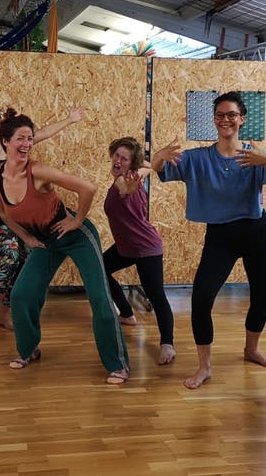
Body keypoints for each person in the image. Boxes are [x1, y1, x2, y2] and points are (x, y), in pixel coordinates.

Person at [152, 91, 266, 390]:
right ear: (214, 120)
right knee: (201, 299)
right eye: (220, 115)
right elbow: (159, 170)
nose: (225, 120)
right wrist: (159, 157)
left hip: (255, 230)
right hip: (220, 235)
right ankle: (205, 367)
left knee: (263, 295)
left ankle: (251, 349)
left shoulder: (254, 155)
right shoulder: (198, 157)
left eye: (231, 115)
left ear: (242, 119)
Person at [0, 108, 130, 384]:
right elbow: (3, 213)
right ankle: (28, 350)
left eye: (30, 138)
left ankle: (118, 364)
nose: (27, 143)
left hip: (75, 236)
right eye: (21, 138)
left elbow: (87, 188)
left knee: (99, 298)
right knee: (21, 295)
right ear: (6, 141)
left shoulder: (37, 171)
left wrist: (76, 221)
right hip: (45, 241)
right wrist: (25, 238)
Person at [0, 100, 83, 350]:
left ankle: (6, 314)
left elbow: (41, 133)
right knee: (11, 258)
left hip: (30, 219)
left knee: (25, 263)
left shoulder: (14, 141)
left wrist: (69, 119)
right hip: (3, 220)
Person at [102, 136, 176, 365]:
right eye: (116, 155)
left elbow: (125, 187)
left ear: (131, 164)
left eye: (124, 159)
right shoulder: (136, 174)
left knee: (156, 295)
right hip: (126, 247)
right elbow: (148, 167)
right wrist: (155, 159)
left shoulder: (123, 183)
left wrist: (131, 185)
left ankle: (167, 344)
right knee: (101, 268)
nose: (118, 161)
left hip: (145, 247)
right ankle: (127, 314)